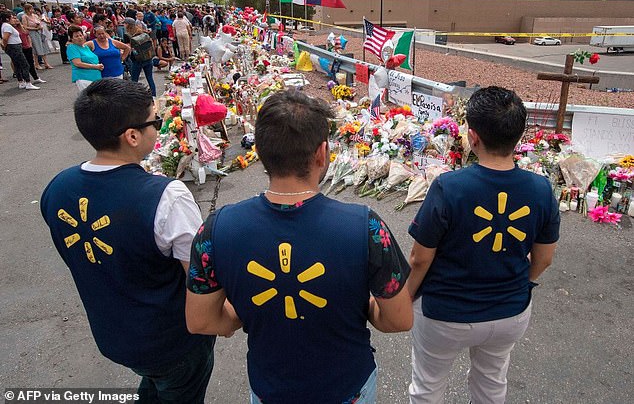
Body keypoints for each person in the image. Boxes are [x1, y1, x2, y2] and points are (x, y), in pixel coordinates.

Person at [186, 90, 413, 403]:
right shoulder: (365, 227)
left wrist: (244, 312)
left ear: (261, 153)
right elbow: (399, 319)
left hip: (271, 388)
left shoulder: (216, 228)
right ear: (322, 153)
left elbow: (202, 321)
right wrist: (365, 308)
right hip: (346, 388)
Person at [40, 78, 215, 403]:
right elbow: (200, 277)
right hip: (171, 341)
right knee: (179, 388)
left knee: (155, 383)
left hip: (112, 334)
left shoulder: (58, 187)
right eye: (155, 121)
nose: (159, 127)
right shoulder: (166, 197)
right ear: (132, 136)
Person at [406, 86, 560, 404]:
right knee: (491, 385)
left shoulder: (449, 187)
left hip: (445, 314)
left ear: (472, 137)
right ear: (519, 135)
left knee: (427, 387)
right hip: (510, 312)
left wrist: (404, 297)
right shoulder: (541, 189)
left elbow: (420, 258)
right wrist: (518, 284)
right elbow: (543, 259)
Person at [1, 12, 39, 90]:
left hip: (14, 46)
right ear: (8, 19)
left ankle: (21, 82)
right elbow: (5, 38)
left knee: (17, 64)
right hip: (14, 47)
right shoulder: (7, 26)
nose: (14, 19)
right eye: (12, 18)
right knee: (25, 65)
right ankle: (28, 82)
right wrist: (4, 46)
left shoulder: (6, 26)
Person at [124, 18, 157, 96]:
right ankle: (154, 95)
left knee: (134, 80)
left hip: (136, 60)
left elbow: (128, 48)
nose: (124, 25)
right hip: (148, 58)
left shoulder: (127, 35)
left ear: (128, 25)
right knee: (150, 78)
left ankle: (135, 96)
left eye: (125, 23)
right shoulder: (141, 32)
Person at [67, 25, 103, 92]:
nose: (80, 38)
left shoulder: (85, 47)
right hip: (84, 78)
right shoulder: (72, 47)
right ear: (71, 38)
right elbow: (78, 63)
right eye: (76, 36)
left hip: (96, 77)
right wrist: (96, 67)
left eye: (81, 35)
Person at [20, 3, 53, 69]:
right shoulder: (24, 16)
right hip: (32, 33)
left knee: (43, 47)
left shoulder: (35, 15)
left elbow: (39, 22)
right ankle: (36, 64)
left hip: (39, 32)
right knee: (36, 48)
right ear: (27, 9)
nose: (32, 10)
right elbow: (25, 27)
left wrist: (39, 26)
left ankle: (46, 63)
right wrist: (35, 28)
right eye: (30, 9)